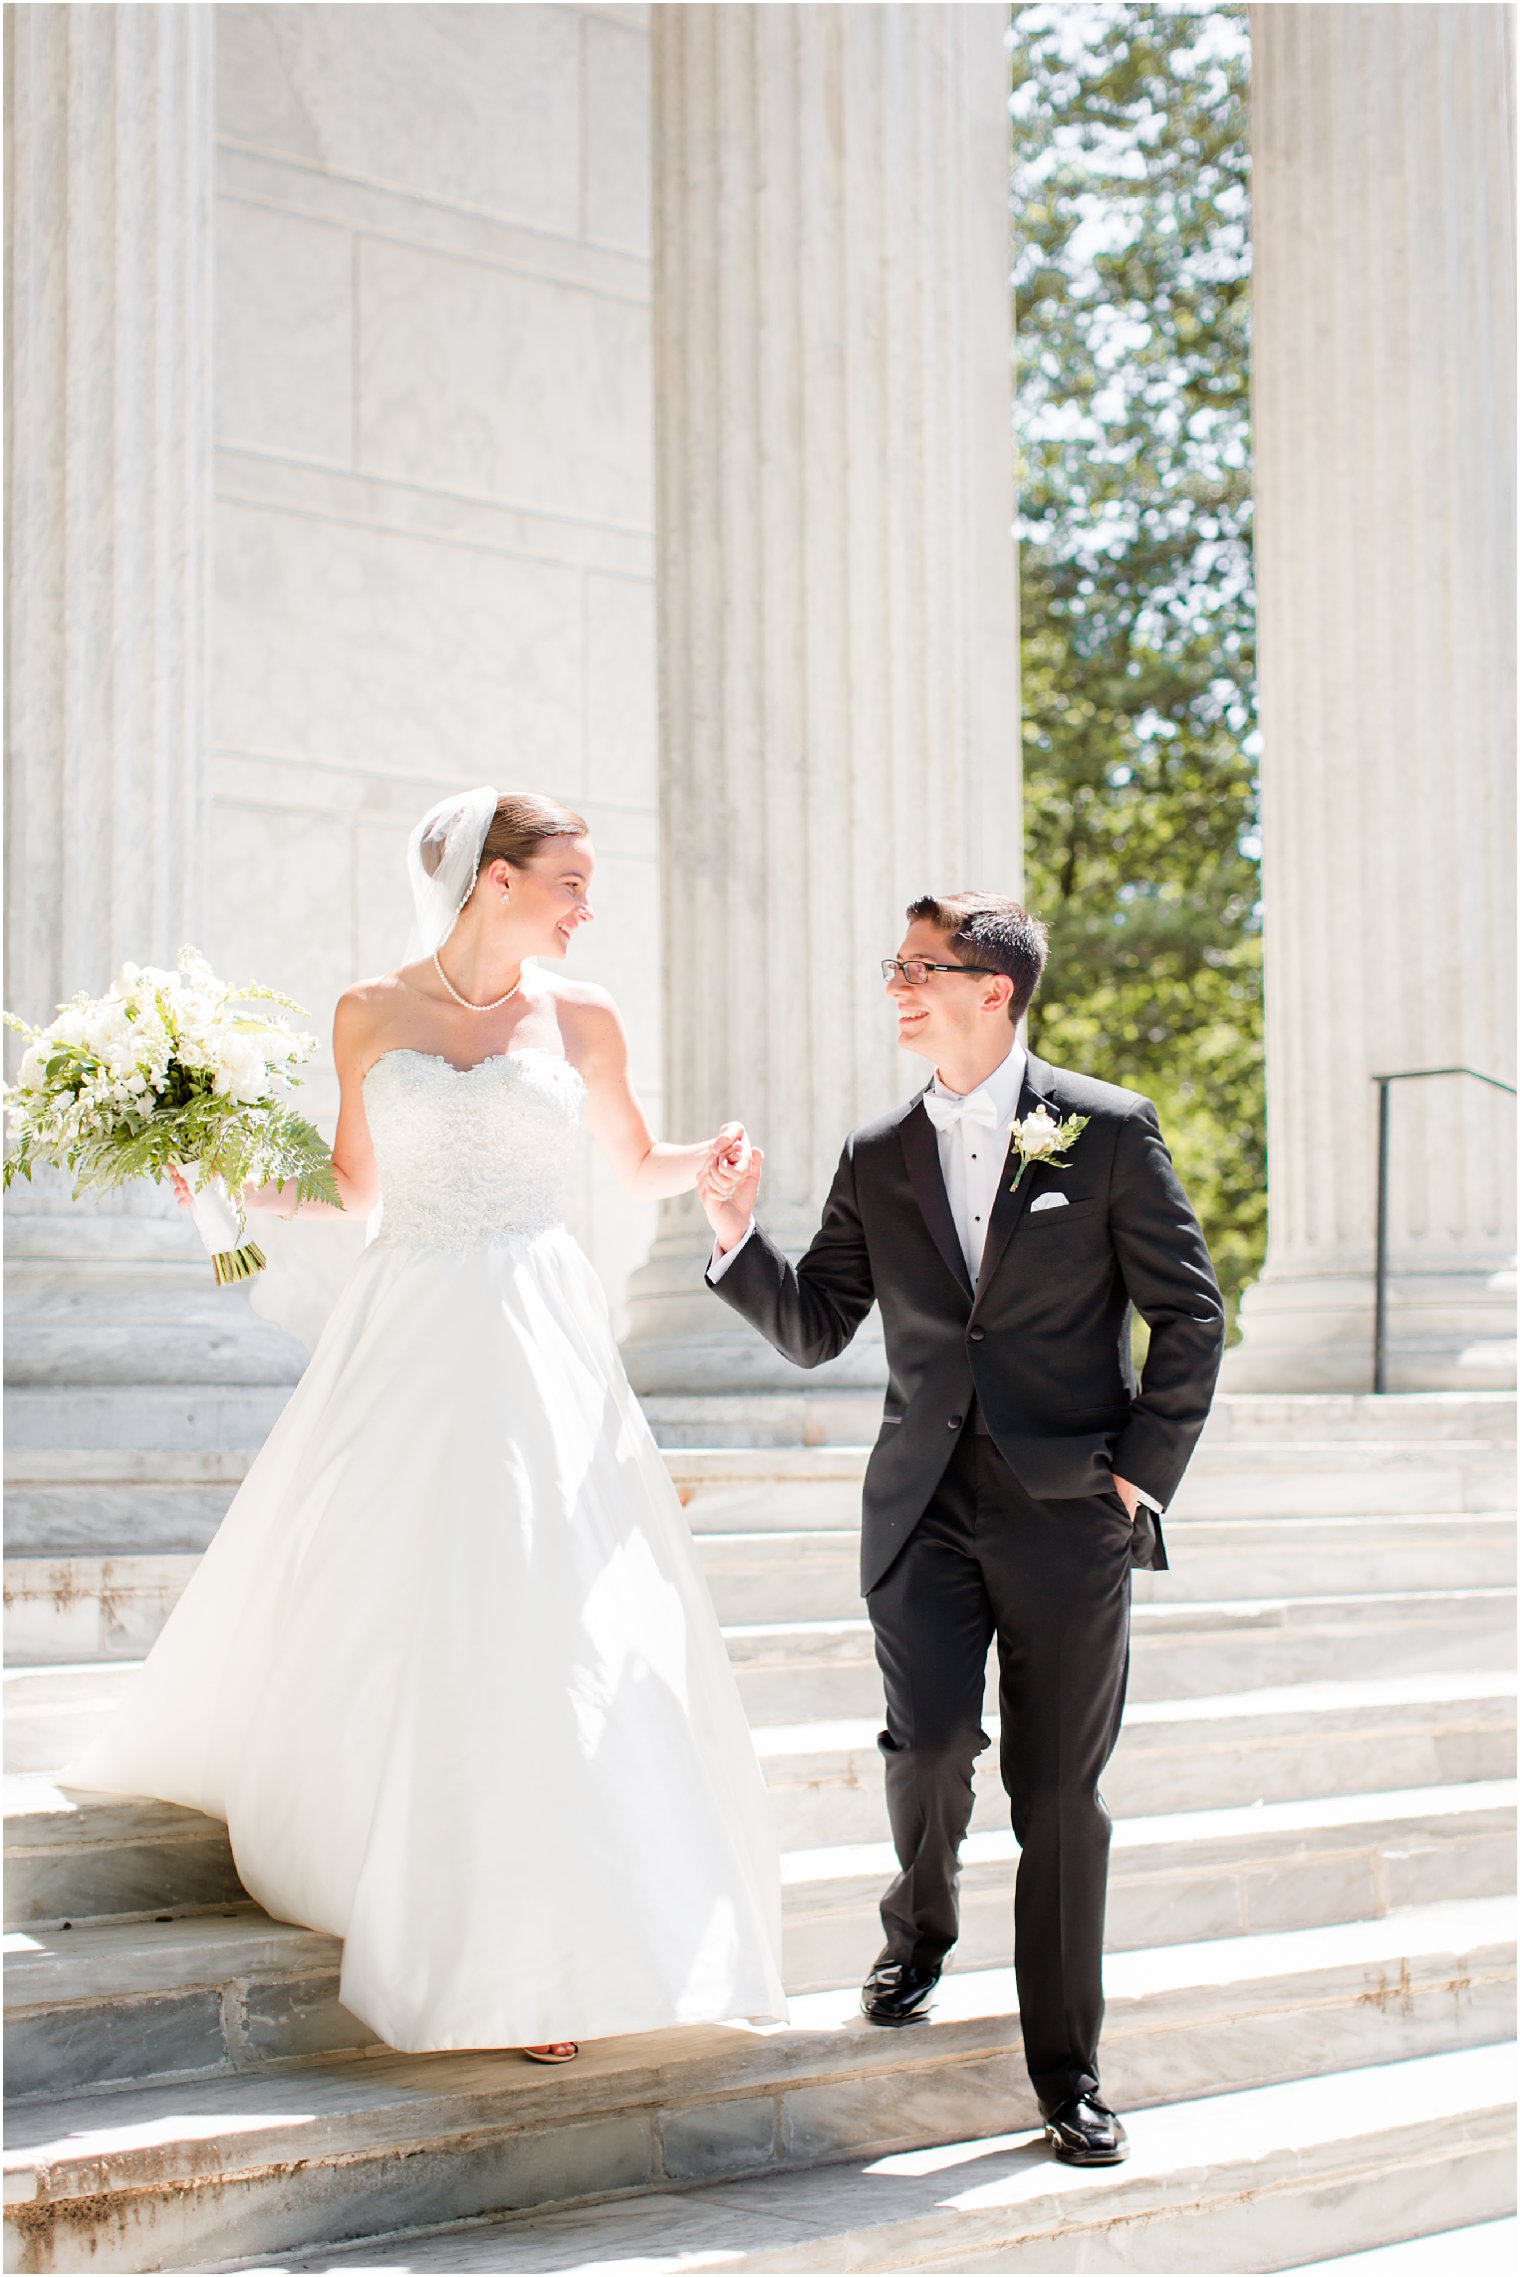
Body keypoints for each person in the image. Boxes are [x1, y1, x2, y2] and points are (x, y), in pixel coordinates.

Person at [69, 787, 787, 2062]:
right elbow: (350, 1186)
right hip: (405, 1321)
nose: (587, 903)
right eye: (568, 879)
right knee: (401, 1599)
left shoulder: (586, 1018)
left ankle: (552, 1947)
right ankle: (401, 1873)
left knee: (546, 1612)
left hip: (537, 1330)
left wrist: (710, 1168)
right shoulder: (366, 1011)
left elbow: (629, 1164)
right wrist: (223, 1176)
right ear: (491, 881)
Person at [698, 891, 1225, 2163]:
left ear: (993, 990)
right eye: (893, 967)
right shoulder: (877, 1153)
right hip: (921, 1504)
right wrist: (732, 1240)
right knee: (930, 1743)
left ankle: (1066, 2068)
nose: (896, 987)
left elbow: (1191, 1315)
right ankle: (918, 1928)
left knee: (1056, 1794)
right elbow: (820, 1323)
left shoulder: (1102, 1131)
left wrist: (1135, 1479)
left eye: (919, 969)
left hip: (1067, 1513)